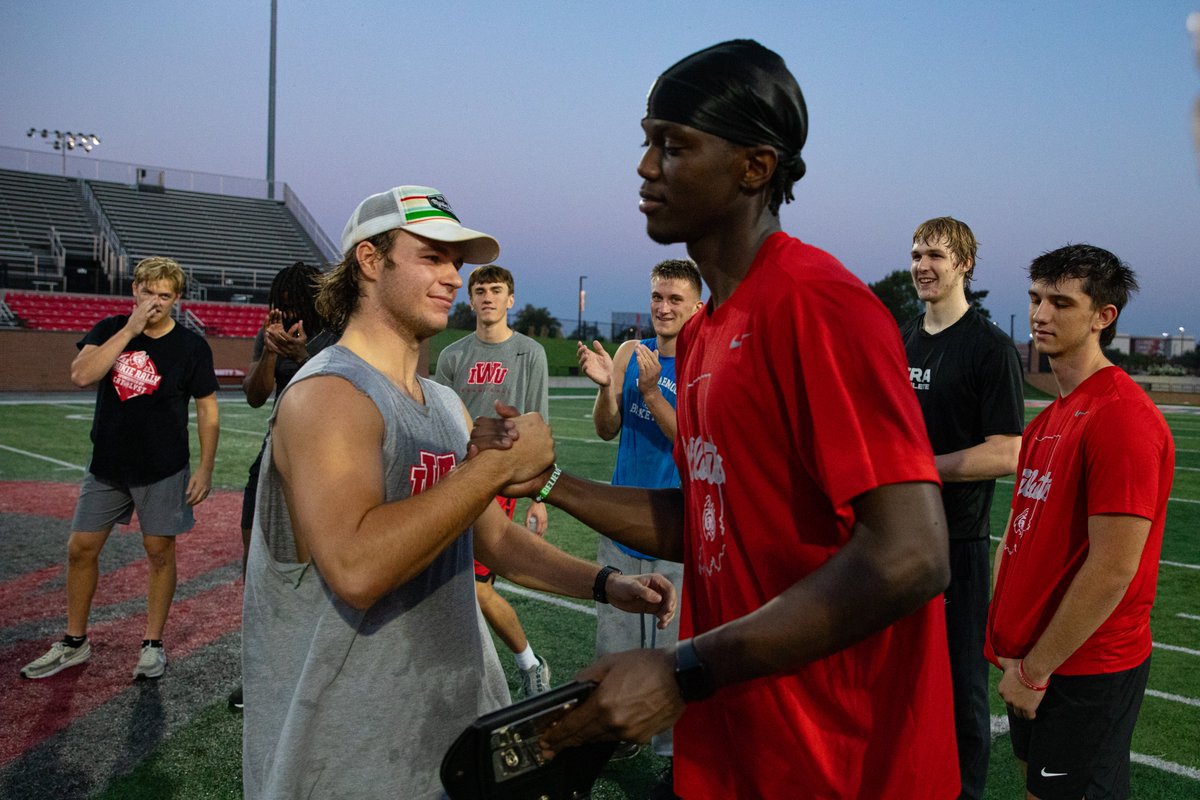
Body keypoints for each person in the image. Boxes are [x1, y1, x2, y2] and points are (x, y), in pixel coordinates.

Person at [474, 39, 959, 799]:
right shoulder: (704, 331)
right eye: (646, 142)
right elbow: (708, 518)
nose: (645, 167)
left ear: (754, 167)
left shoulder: (816, 304)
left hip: (842, 757)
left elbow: (913, 554)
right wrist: (550, 482)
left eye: (673, 145)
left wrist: (685, 668)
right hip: (742, 737)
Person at [240, 185, 676, 799]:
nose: (452, 276)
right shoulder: (329, 396)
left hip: (446, 736)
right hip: (346, 757)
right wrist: (492, 470)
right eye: (432, 256)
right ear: (370, 260)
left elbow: (491, 537)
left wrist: (604, 585)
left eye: (457, 263)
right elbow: (357, 567)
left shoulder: (441, 401)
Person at [986, 244, 1173, 800]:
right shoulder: (1053, 416)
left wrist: (1037, 668)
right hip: (1037, 657)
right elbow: (1019, 536)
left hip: (1082, 664)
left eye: (1060, 302)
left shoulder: (1121, 417)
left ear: (1102, 316)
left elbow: (1114, 567)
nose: (1041, 315)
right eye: (1035, 299)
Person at [20, 256, 220, 681]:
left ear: (177, 299)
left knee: (159, 552)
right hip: (108, 465)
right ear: (134, 290)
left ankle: (152, 644)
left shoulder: (191, 346)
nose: (156, 302)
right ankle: (75, 641)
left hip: (163, 466)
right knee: (80, 548)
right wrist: (130, 330)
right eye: (149, 292)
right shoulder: (111, 328)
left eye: (165, 295)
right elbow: (81, 375)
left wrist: (205, 467)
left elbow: (207, 410)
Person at [901, 217, 1024, 799]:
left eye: (936, 255)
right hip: (889, 538)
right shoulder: (901, 336)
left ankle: (962, 792)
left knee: (959, 690)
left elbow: (1007, 451)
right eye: (917, 253)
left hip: (957, 541)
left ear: (965, 264)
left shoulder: (990, 347)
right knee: (894, 679)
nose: (923, 264)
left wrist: (920, 466)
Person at [576, 258, 702, 769]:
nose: (664, 307)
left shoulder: (702, 360)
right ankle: (617, 737)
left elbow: (693, 443)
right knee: (616, 649)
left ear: (697, 305)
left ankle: (675, 758)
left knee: (673, 657)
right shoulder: (631, 351)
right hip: (621, 525)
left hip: (674, 529)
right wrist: (610, 386)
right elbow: (607, 429)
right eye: (657, 297)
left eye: (675, 299)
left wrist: (652, 391)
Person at [434, 263, 552, 697]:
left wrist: (539, 497)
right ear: (471, 300)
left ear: (510, 299)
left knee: (476, 587)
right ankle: (462, 674)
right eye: (480, 290)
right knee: (447, 585)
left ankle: (530, 663)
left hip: (497, 484)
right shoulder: (452, 356)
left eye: (496, 289)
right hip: (450, 481)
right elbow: (439, 423)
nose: (487, 297)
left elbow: (539, 428)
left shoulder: (530, 353)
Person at [228, 262, 335, 712]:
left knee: (317, 570)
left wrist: (302, 356)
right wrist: (271, 353)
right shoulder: (270, 331)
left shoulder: (334, 335)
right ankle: (262, 672)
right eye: (280, 302)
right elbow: (254, 396)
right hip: (275, 452)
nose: (286, 310)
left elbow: (342, 387)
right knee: (256, 563)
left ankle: (312, 669)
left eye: (294, 302)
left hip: (325, 459)